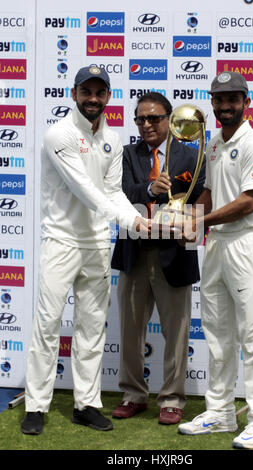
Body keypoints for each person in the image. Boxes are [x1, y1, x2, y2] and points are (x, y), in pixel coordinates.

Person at [21, 65, 149, 435]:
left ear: (108, 97)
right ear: (73, 94)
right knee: (47, 326)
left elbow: (112, 193)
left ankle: (86, 403)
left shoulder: (111, 140)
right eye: (86, 92)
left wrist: (136, 217)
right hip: (61, 242)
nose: (93, 99)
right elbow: (85, 190)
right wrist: (132, 222)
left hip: (95, 244)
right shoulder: (58, 134)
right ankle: (36, 406)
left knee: (92, 329)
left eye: (100, 93)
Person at [178, 71, 253, 449]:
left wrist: (201, 220)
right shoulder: (214, 142)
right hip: (217, 244)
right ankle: (219, 412)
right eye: (219, 100)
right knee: (218, 334)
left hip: (246, 243)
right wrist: (187, 217)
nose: (225, 106)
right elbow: (209, 191)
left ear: (246, 102)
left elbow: (248, 201)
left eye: (233, 99)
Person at [111, 92, 206, 425]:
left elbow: (200, 197)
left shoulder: (192, 156)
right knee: (130, 331)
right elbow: (117, 194)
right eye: (140, 119)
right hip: (134, 252)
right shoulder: (125, 155)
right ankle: (133, 394)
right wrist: (149, 190)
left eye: (154, 118)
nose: (147, 124)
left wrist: (190, 226)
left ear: (170, 120)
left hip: (175, 253)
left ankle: (173, 398)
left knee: (177, 332)